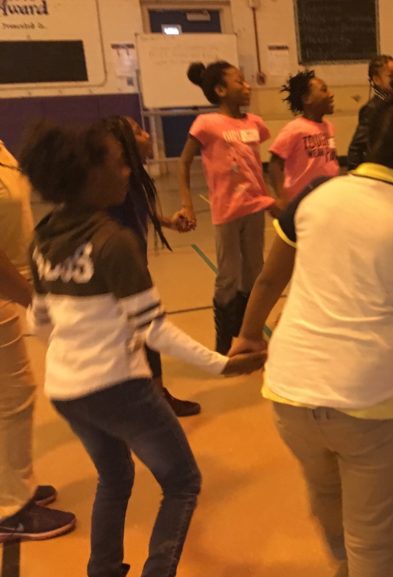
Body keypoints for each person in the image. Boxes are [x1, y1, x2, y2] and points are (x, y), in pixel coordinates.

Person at [229, 74, 393, 577]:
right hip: (370, 405)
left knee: (327, 494)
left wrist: (247, 336)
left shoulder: (314, 197)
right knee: (373, 536)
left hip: (290, 395)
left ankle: (342, 563)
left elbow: (268, 280)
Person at [20, 121, 265, 577]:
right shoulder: (114, 242)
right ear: (89, 175)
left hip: (67, 390)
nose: (128, 173)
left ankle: (104, 570)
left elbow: (39, 322)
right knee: (182, 481)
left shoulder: (43, 238)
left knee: (114, 477)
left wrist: (76, 353)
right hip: (118, 389)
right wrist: (222, 366)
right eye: (118, 164)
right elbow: (155, 331)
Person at [0, 139, 76, 542]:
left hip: (10, 287)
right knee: (13, 398)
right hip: (4, 290)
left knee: (9, 396)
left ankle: (13, 485)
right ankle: (9, 509)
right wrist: (32, 299)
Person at [179, 61, 281, 354]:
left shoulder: (255, 124)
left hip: (254, 208)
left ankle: (247, 334)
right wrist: (187, 203)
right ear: (221, 90)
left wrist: (271, 198)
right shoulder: (206, 125)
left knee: (254, 273)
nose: (246, 85)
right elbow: (184, 162)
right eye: (239, 81)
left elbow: (255, 169)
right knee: (228, 276)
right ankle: (222, 344)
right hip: (226, 211)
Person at [103, 116, 201, 417]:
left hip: (133, 268)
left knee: (143, 332)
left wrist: (169, 222)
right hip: (120, 274)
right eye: (138, 132)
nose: (147, 135)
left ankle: (150, 395)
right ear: (123, 146)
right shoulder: (109, 182)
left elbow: (141, 210)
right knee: (143, 330)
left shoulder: (132, 176)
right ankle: (149, 399)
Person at [269, 70, 341, 201]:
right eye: (324, 90)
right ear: (307, 99)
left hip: (327, 196)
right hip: (302, 199)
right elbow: (274, 164)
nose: (331, 94)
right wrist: (282, 197)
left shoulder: (328, 126)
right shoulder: (294, 129)